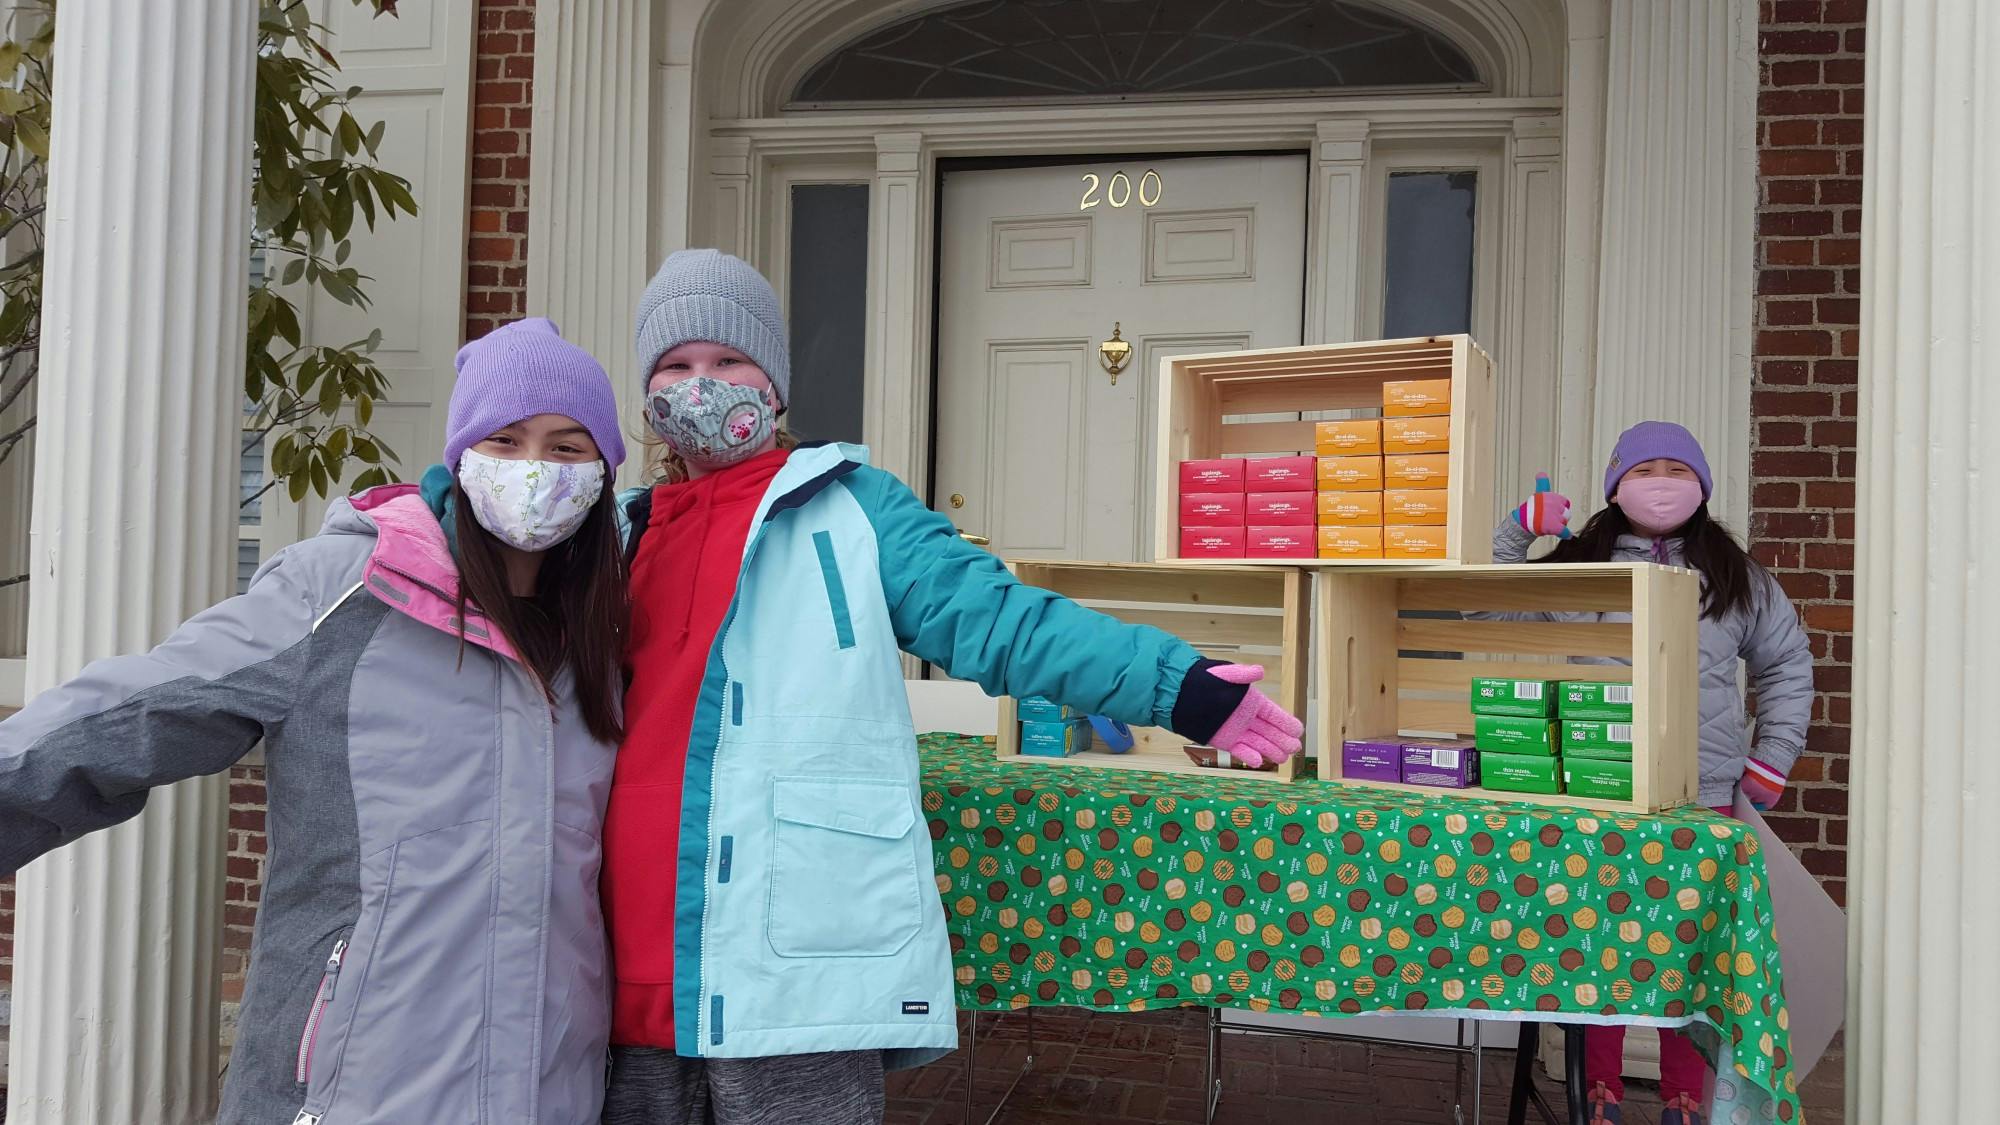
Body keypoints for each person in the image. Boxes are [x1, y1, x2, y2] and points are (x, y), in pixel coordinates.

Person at [601, 249, 1305, 1125]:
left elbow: (1000, 620)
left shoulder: (854, 509)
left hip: (787, 968)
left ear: (774, 387)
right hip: (624, 965)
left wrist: (1179, 686)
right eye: (676, 365)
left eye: (729, 361)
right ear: (648, 396)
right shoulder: (615, 537)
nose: (702, 386)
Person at [0, 318, 631, 1124]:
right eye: (505, 440)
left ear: (604, 471)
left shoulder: (603, 644)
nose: (535, 470)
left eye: (567, 446)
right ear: (462, 453)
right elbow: (136, 709)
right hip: (346, 1096)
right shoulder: (344, 588)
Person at [1498, 420, 1813, 1125]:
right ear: (1617, 483)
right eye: (1646, 469)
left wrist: (1771, 760)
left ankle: (1683, 1096)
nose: (1661, 482)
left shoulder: (1738, 575)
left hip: (1702, 793)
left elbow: (1787, 664)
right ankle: (1600, 1089)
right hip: (1595, 785)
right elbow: (1490, 603)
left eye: (1677, 468)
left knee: (1692, 946)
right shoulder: (1579, 564)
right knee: (1599, 937)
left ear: (1701, 484)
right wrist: (1518, 532)